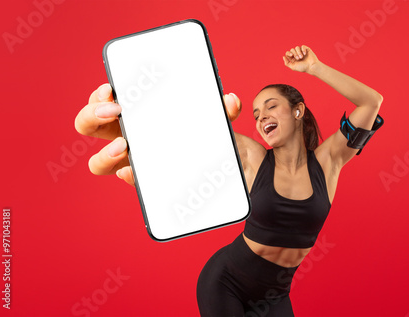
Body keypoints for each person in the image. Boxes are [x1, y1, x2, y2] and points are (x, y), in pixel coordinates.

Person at [75, 45, 384, 316]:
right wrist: (131, 115)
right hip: (225, 282)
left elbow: (371, 102)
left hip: (276, 295)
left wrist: (314, 67)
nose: (261, 116)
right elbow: (192, 128)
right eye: (256, 113)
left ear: (298, 110)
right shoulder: (253, 157)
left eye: (271, 106)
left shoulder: (329, 161)